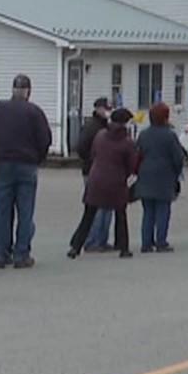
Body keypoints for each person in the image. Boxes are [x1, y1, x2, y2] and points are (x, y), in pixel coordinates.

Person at [0, 73, 52, 269]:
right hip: (27, 165)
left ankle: (1, 254)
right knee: (25, 212)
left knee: (1, 212)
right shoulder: (35, 112)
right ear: (28, 91)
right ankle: (21, 254)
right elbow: (45, 139)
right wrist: (38, 158)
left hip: (2, 164)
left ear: (12, 89)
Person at [69, 108, 136, 258]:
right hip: (116, 182)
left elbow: (93, 154)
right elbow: (131, 165)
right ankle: (123, 247)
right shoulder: (127, 143)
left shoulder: (100, 136)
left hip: (96, 179)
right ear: (125, 123)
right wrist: (126, 175)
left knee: (88, 215)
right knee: (120, 215)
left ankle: (75, 247)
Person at [134, 103, 186, 252]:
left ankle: (146, 242)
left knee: (148, 212)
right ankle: (161, 241)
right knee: (163, 210)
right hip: (164, 176)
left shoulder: (143, 134)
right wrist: (177, 173)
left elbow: (138, 153)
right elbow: (178, 158)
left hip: (145, 175)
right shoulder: (170, 135)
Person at [75, 98, 114, 251]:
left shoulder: (106, 127)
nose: (107, 111)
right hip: (92, 170)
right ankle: (92, 240)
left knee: (106, 206)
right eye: (105, 108)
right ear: (98, 109)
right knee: (96, 207)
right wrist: (93, 160)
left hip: (104, 171)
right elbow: (81, 147)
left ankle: (102, 240)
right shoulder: (92, 127)